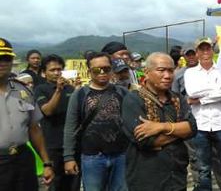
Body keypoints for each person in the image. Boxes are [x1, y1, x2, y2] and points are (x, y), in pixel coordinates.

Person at [121, 52, 197, 190]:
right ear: (147, 72)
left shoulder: (177, 99)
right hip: (147, 179)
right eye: (161, 70)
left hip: (177, 177)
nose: (167, 76)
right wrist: (180, 131)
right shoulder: (133, 100)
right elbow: (146, 140)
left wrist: (161, 127)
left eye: (170, 70)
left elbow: (192, 128)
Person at [63, 52, 129, 191]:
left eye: (106, 68)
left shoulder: (122, 92)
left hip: (121, 155)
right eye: (97, 69)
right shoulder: (80, 94)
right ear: (89, 71)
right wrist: (69, 158)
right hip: (92, 157)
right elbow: (70, 127)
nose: (102, 72)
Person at [184, 37, 221, 191]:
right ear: (197, 53)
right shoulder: (190, 73)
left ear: (212, 50)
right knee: (203, 169)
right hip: (201, 126)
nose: (205, 52)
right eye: (201, 49)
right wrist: (214, 90)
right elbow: (192, 92)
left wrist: (201, 100)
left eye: (208, 48)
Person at [0, 37, 55, 190]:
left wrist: (46, 163)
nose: (2, 62)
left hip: (22, 159)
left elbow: (34, 129)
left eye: (5, 58)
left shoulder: (23, 91)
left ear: (12, 61)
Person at [34, 54, 81, 191]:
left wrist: (78, 90)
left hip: (72, 145)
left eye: (59, 69)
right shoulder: (40, 89)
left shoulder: (70, 89)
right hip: (53, 146)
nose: (56, 73)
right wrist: (59, 90)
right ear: (44, 73)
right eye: (52, 70)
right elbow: (47, 111)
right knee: (56, 184)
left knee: (74, 183)